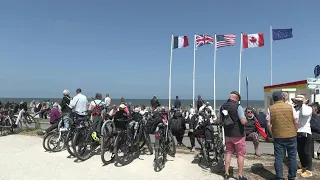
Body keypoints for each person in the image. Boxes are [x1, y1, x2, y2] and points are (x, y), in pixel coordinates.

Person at [266, 91, 298, 180]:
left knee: (279, 158)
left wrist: (272, 134)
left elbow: (268, 124)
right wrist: (295, 132)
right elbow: (296, 121)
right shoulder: (290, 107)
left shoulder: (270, 108)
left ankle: (279, 177)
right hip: (291, 135)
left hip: (278, 136)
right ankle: (292, 177)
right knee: (292, 157)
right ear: (282, 98)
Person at [221, 91, 247, 180]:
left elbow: (218, 119)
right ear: (236, 99)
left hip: (228, 134)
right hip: (238, 134)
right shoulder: (238, 106)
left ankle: (226, 174)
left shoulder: (222, 106)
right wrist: (246, 120)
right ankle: (240, 175)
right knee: (240, 155)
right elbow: (243, 121)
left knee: (228, 153)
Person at [293, 95, 313, 177]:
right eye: (297, 100)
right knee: (300, 151)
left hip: (306, 132)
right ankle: (304, 167)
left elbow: (304, 114)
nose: (299, 102)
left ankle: (309, 170)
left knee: (307, 152)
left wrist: (304, 103)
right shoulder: (297, 108)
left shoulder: (308, 108)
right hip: (298, 131)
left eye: (300, 100)